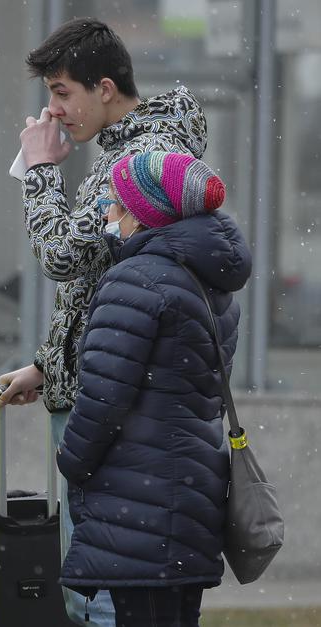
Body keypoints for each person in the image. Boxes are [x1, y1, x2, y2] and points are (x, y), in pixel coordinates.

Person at [0, 17, 208, 625]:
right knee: (111, 576)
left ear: (105, 88)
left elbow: (64, 254)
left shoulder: (138, 160)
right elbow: (104, 280)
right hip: (118, 393)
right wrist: (49, 362)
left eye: (63, 92)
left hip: (118, 408)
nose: (54, 110)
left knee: (104, 583)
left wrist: (39, 171)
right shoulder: (138, 148)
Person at [57, 152, 250, 626]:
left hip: (139, 501)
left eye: (115, 202)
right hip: (192, 492)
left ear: (143, 212)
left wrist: (71, 462)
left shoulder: (135, 280)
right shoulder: (210, 285)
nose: (107, 214)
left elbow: (103, 401)